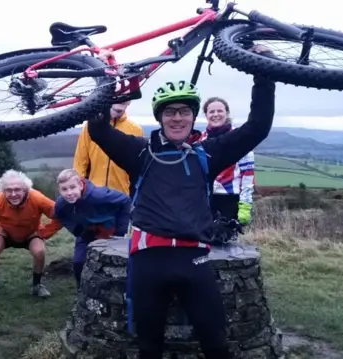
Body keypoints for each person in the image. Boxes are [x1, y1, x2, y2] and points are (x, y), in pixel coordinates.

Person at [87, 45, 276, 359]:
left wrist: (263, 73)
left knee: (216, 345)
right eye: (169, 112)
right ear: (160, 117)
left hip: (195, 260)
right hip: (148, 259)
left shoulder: (208, 153)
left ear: (193, 116)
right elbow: (97, 128)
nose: (177, 118)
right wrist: (105, 80)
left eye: (184, 111)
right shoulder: (139, 151)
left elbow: (258, 127)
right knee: (149, 349)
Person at [0, 170, 63, 298]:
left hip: (30, 233)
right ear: (3, 191)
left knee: (39, 251)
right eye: (9, 190)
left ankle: (37, 285)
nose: (13, 194)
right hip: (5, 233)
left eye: (17, 190)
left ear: (25, 190)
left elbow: (60, 215)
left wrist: (44, 233)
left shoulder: (37, 198)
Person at [52, 168, 131, 289]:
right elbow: (60, 216)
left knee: (116, 263)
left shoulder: (98, 195)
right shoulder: (61, 204)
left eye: (72, 187)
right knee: (78, 263)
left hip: (110, 231)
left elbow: (125, 201)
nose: (69, 193)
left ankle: (116, 291)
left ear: (80, 184)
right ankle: (81, 290)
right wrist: (77, 229)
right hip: (86, 233)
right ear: (59, 190)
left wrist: (120, 232)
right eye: (64, 189)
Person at [199, 96, 254, 243]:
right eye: (211, 111)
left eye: (220, 111)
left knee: (225, 244)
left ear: (227, 113)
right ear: (206, 115)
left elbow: (248, 176)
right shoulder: (199, 140)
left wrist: (245, 206)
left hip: (229, 199)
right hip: (203, 199)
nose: (215, 114)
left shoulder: (239, 139)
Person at [73, 100, 143, 197]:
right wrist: (78, 187)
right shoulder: (91, 126)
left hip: (122, 194)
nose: (121, 100)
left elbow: (138, 165)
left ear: (129, 102)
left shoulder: (136, 129)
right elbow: (80, 159)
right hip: (94, 192)